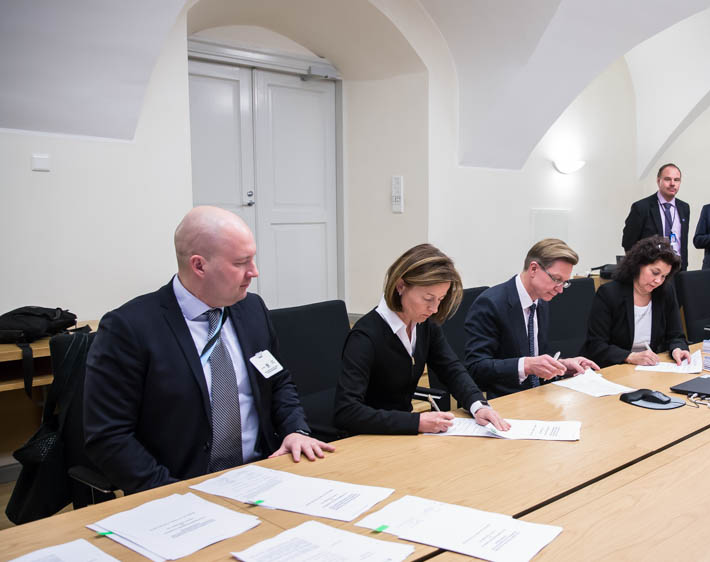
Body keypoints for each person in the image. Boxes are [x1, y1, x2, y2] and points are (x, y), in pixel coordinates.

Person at [84, 206, 333, 494]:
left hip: (263, 475)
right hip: (177, 487)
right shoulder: (130, 328)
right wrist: (169, 491)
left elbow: (277, 381)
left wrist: (295, 430)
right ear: (199, 266)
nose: (254, 272)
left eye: (252, 259)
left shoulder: (251, 309)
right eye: (241, 263)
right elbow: (109, 436)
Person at [335, 244, 509, 434]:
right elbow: (347, 412)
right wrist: (416, 421)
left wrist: (478, 406)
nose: (434, 309)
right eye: (428, 299)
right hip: (366, 438)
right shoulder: (365, 337)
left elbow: (452, 369)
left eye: (440, 299)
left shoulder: (424, 324)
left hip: (402, 435)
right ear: (400, 286)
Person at [465, 239, 599, 398]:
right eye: (556, 279)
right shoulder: (491, 304)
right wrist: (525, 365)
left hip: (539, 396)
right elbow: (476, 368)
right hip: (508, 400)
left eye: (564, 283)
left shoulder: (541, 301)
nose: (560, 290)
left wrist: (561, 366)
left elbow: (537, 358)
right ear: (534, 269)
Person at [583, 236, 691, 368]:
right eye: (655, 272)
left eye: (664, 276)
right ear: (638, 265)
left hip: (652, 366)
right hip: (616, 367)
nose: (658, 281)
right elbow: (596, 345)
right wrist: (630, 356)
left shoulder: (665, 292)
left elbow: (676, 335)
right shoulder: (609, 293)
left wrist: (677, 349)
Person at [621, 163, 691, 270]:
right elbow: (628, 242)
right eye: (667, 179)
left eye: (676, 180)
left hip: (678, 269)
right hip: (651, 270)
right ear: (658, 181)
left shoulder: (684, 208)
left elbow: (682, 242)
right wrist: (641, 268)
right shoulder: (641, 207)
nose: (672, 183)